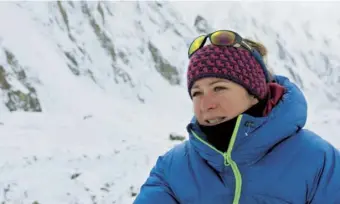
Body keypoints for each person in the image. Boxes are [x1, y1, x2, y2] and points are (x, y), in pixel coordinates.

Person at [133, 30, 340, 204]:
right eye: (197, 93)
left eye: (219, 88)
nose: (207, 104)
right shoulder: (172, 169)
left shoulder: (319, 162)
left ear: (254, 94)